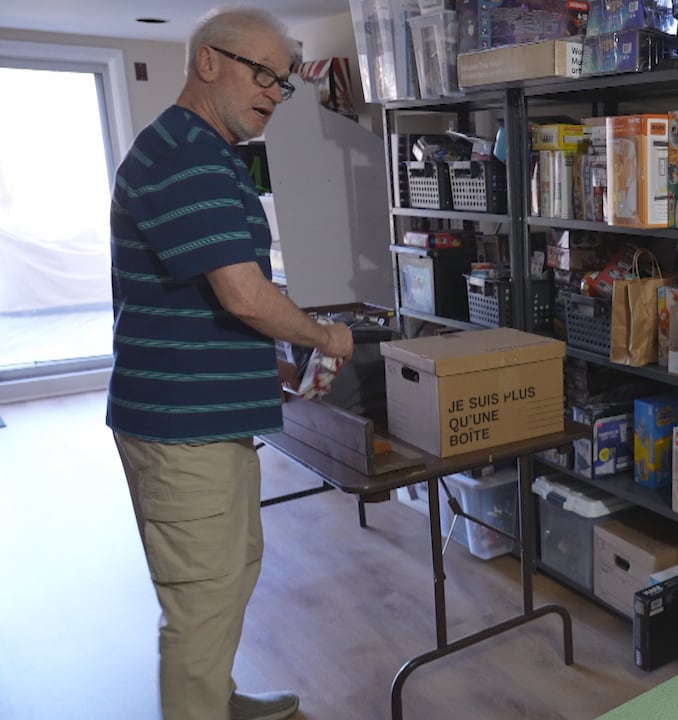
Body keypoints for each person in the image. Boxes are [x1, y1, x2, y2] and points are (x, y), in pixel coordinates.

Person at [107, 7, 353, 720]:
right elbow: (245, 294)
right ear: (207, 62)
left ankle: (217, 701)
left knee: (230, 574)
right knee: (200, 602)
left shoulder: (204, 153)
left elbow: (210, 298)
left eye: (283, 81)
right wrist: (322, 337)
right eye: (263, 73)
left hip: (204, 418)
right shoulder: (187, 156)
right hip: (184, 431)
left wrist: (268, 362)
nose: (275, 92)